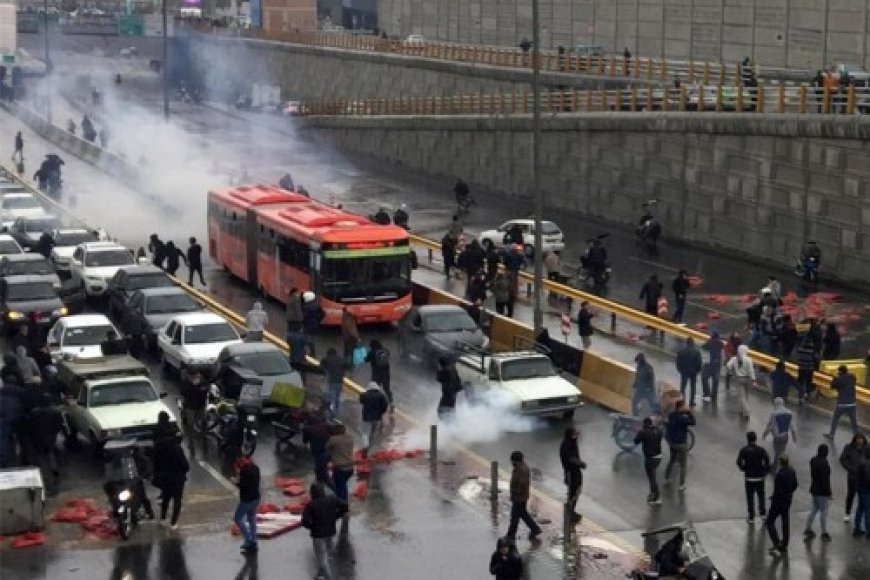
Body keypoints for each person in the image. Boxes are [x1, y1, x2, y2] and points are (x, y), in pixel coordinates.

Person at [301, 482, 348, 580]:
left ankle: (328, 577)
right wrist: (336, 516)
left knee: (321, 556)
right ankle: (321, 572)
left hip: (318, 534)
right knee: (328, 552)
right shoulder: (331, 499)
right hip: (330, 531)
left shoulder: (311, 505)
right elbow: (345, 506)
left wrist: (312, 526)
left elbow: (305, 521)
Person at [152, 437, 189, 529]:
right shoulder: (177, 449)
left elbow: (155, 465)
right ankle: (173, 522)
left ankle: (163, 518)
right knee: (177, 500)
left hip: (164, 478)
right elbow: (185, 464)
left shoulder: (158, 450)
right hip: (177, 478)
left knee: (166, 498)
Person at [505, 451, 542, 541]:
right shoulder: (519, 468)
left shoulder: (522, 470)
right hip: (520, 497)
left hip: (519, 497)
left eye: (513, 461)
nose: (512, 463)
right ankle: (535, 529)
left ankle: (511, 535)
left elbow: (522, 484)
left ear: (516, 461)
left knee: (515, 516)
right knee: (522, 514)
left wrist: (515, 494)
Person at [767, 455, 798, 557]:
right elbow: (795, 485)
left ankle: (776, 543)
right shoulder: (792, 471)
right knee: (785, 522)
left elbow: (777, 490)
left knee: (770, 522)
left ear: (780, 463)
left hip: (778, 502)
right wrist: (789, 493)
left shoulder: (779, 475)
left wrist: (773, 498)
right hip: (787, 500)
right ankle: (785, 543)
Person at [737, 431, 770, 524]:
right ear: (755, 439)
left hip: (749, 478)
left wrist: (744, 469)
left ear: (747, 439)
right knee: (761, 496)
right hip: (760, 477)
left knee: (750, 497)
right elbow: (767, 460)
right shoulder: (761, 449)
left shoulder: (744, 450)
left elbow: (739, 462)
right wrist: (765, 471)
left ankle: (751, 516)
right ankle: (763, 514)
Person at [664, 400, 695, 491]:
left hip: (672, 443)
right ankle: (681, 484)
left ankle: (666, 477)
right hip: (681, 444)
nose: (686, 407)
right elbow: (693, 422)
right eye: (684, 406)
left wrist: (684, 411)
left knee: (672, 460)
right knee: (683, 465)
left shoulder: (671, 415)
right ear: (680, 407)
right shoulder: (683, 419)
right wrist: (689, 412)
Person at [804, 444, 832, 542]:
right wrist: (829, 493)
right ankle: (824, 532)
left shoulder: (813, 460)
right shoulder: (824, 463)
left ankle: (807, 528)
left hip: (814, 489)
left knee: (814, 510)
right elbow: (826, 480)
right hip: (822, 491)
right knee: (824, 511)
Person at [233, 456, 260, 554]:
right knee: (251, 518)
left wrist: (236, 482)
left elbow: (242, 485)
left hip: (247, 500)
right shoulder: (256, 468)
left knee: (237, 518)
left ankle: (249, 540)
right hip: (256, 498)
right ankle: (253, 539)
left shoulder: (244, 472)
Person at [559, 426, 586, 523]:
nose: (576, 436)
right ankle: (570, 514)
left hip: (576, 473)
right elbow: (569, 459)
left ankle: (571, 512)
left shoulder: (572, 443)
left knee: (576, 492)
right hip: (571, 474)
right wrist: (580, 464)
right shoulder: (566, 446)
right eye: (574, 434)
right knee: (573, 494)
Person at [824, 365, 858, 440]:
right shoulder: (852, 377)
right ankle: (857, 438)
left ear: (840, 372)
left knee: (835, 418)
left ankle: (831, 435)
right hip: (852, 404)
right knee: (853, 422)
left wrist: (834, 378)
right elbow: (854, 380)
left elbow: (832, 386)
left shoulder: (838, 379)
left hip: (842, 404)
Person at [634, 417, 663, 505]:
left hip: (650, 458)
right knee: (652, 476)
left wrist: (638, 432)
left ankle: (657, 498)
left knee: (652, 479)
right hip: (658, 457)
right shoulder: (659, 431)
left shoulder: (643, 432)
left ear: (644, 424)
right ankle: (652, 494)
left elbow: (636, 441)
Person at [840, 433, 867, 523]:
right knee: (851, 496)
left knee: (863, 497)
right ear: (855, 439)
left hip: (864, 478)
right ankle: (847, 513)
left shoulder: (867, 448)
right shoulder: (848, 447)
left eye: (861, 439)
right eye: (858, 439)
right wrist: (850, 468)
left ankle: (861, 515)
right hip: (853, 477)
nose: (860, 440)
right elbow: (842, 459)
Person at [763, 397, 797, 467]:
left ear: (775, 404)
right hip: (785, 436)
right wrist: (794, 437)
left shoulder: (774, 414)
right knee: (782, 451)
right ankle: (782, 464)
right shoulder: (790, 413)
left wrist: (764, 435)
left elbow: (769, 426)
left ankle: (776, 466)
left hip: (777, 437)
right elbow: (792, 427)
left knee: (777, 452)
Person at [180, 369, 208, 455]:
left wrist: (199, 387)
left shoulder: (202, 382)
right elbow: (183, 392)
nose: (196, 378)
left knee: (204, 422)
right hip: (191, 407)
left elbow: (205, 391)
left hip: (200, 406)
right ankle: (191, 443)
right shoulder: (187, 383)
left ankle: (204, 439)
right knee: (190, 425)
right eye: (195, 377)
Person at [326, 423, 354, 503]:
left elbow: (326, 447)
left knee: (341, 487)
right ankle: (341, 500)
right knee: (342, 485)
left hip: (340, 467)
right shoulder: (350, 438)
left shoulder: (333, 439)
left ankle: (342, 503)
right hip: (350, 467)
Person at [726, 344, 756, 419]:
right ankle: (743, 410)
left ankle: (745, 411)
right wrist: (754, 380)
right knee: (746, 395)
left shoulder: (734, 358)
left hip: (739, 379)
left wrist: (731, 372)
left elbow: (728, 366)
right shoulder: (749, 359)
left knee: (741, 396)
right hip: (747, 379)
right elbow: (751, 370)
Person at [302, 412, 333, 486]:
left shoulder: (308, 429)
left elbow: (304, 441)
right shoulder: (326, 425)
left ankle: (336, 492)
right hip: (329, 451)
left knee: (321, 474)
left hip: (319, 453)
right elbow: (333, 434)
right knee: (322, 469)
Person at [359, 382, 389, 455]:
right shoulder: (381, 396)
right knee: (372, 433)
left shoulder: (364, 395)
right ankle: (370, 446)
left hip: (366, 418)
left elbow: (361, 401)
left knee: (365, 433)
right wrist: (381, 412)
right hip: (377, 418)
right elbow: (385, 406)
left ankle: (365, 446)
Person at [320, 347, 348, 417]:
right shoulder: (341, 359)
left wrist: (325, 374)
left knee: (332, 397)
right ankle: (337, 410)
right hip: (340, 381)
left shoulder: (326, 359)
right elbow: (347, 367)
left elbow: (321, 367)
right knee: (337, 396)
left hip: (331, 381)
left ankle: (333, 413)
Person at [365, 339, 392, 409]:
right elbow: (388, 356)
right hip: (386, 373)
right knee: (387, 389)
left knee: (374, 388)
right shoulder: (385, 350)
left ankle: (375, 404)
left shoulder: (372, 352)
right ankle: (391, 403)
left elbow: (366, 359)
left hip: (376, 373)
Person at [675, 337, 702, 407]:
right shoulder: (697, 351)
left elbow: (678, 361)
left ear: (686, 343)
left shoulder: (681, 351)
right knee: (693, 387)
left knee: (683, 387)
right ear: (693, 343)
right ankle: (691, 401)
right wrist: (698, 370)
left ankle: (682, 401)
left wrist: (680, 370)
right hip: (693, 372)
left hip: (684, 371)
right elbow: (699, 362)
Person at [435, 356, 462, 420]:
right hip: (451, 396)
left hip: (448, 396)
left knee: (442, 412)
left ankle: (448, 426)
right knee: (448, 413)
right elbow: (459, 384)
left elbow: (439, 379)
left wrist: (439, 370)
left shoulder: (447, 371)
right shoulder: (452, 369)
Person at [701, 330, 723, 402]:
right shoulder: (720, 343)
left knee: (704, 378)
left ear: (712, 336)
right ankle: (714, 396)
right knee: (715, 381)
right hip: (717, 365)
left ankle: (707, 394)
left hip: (709, 364)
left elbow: (703, 348)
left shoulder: (709, 342)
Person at [855, 447, 870, 537]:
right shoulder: (867, 464)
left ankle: (857, 528)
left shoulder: (861, 462)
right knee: (868, 511)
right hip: (867, 490)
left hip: (861, 488)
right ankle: (869, 531)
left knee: (860, 509)